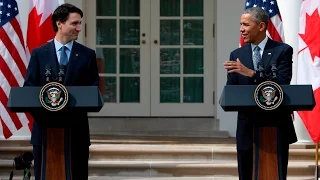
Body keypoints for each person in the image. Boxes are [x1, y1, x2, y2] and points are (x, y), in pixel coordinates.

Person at [23, 3, 99, 180]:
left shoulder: (87, 55)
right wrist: (48, 115)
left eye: (80, 23)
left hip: (76, 132)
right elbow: (29, 90)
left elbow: (92, 90)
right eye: (74, 23)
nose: (79, 28)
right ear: (59, 23)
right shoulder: (39, 54)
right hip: (45, 131)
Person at [223, 7, 297, 180]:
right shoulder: (237, 54)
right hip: (247, 127)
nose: (241, 29)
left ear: (261, 26)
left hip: (275, 125)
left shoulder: (283, 50)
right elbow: (232, 90)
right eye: (241, 24)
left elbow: (281, 83)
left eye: (246, 25)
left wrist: (252, 74)